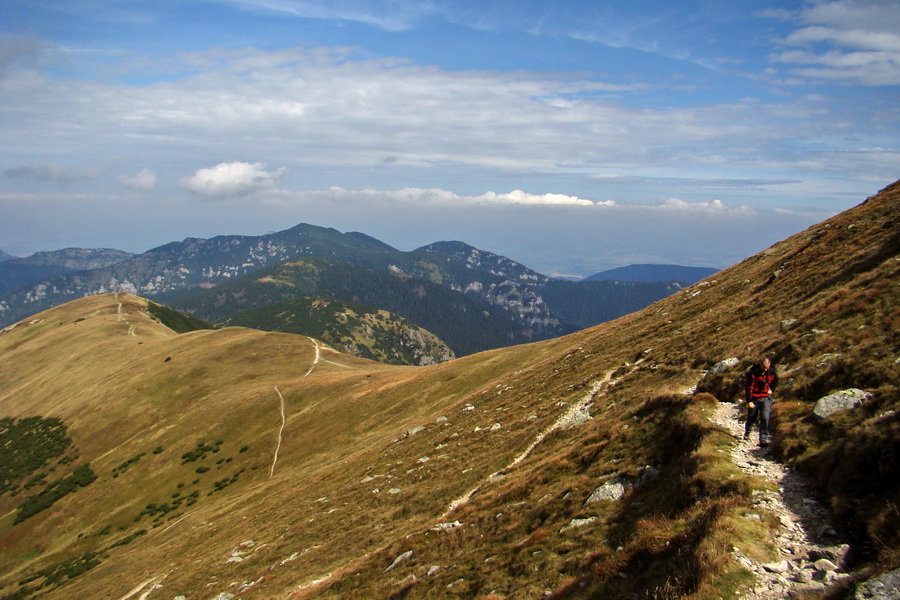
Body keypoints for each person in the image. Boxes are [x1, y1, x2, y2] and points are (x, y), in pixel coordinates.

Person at [745, 357, 778, 447]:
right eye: (764, 367)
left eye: (767, 367)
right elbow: (748, 387)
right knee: (751, 417)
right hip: (754, 398)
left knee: (765, 417)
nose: (766, 369)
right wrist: (749, 401)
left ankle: (763, 439)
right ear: (760, 365)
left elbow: (776, 381)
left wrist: (772, 390)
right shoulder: (752, 372)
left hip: (765, 398)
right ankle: (747, 432)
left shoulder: (771, 372)